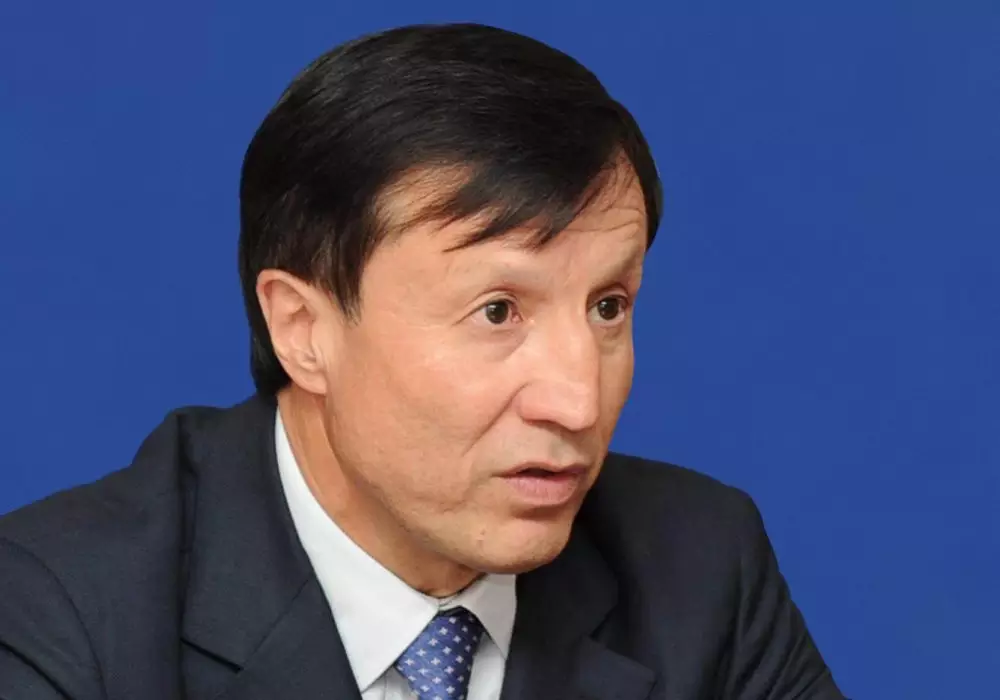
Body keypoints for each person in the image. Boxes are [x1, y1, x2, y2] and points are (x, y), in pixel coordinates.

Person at [0, 22, 845, 700]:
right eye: (497, 311)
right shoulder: (59, 611)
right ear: (303, 328)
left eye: (608, 307)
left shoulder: (701, 563)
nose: (578, 402)